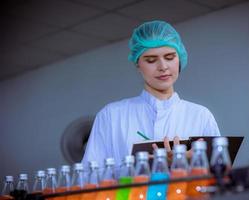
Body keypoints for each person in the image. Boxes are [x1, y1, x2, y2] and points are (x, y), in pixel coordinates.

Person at [82, 20, 220, 170]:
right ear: (137, 64)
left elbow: (219, 176)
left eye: (169, 57)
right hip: (128, 194)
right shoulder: (111, 116)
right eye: (151, 60)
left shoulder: (200, 116)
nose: (163, 67)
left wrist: (189, 164)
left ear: (180, 58)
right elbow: (90, 178)